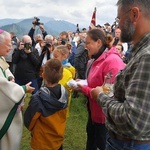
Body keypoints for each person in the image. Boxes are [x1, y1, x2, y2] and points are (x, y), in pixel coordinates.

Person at [91, 0, 150, 149]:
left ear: (134, 14)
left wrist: (101, 97)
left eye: (119, 19)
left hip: (128, 144)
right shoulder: (140, 50)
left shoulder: (146, 56)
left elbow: (132, 121)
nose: (117, 26)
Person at [71, 29, 125, 150]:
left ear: (98, 42)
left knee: (102, 144)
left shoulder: (112, 61)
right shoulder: (94, 59)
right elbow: (96, 82)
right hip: (93, 112)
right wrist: (84, 82)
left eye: (88, 43)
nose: (85, 46)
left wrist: (84, 89)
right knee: (91, 141)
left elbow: (109, 93)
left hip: (105, 118)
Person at [0, 29, 34, 150]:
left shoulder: (1, 58)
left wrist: (9, 76)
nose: (11, 47)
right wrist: (23, 88)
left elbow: (6, 69)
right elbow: (2, 86)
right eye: (8, 44)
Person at [24, 59, 68, 150]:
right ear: (62, 76)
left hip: (42, 142)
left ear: (43, 75)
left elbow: (29, 120)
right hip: (57, 140)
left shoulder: (37, 99)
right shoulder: (65, 93)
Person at [53, 45, 75, 116]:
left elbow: (58, 90)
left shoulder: (65, 72)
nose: (53, 58)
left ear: (64, 57)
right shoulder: (61, 69)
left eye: (56, 57)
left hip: (58, 106)